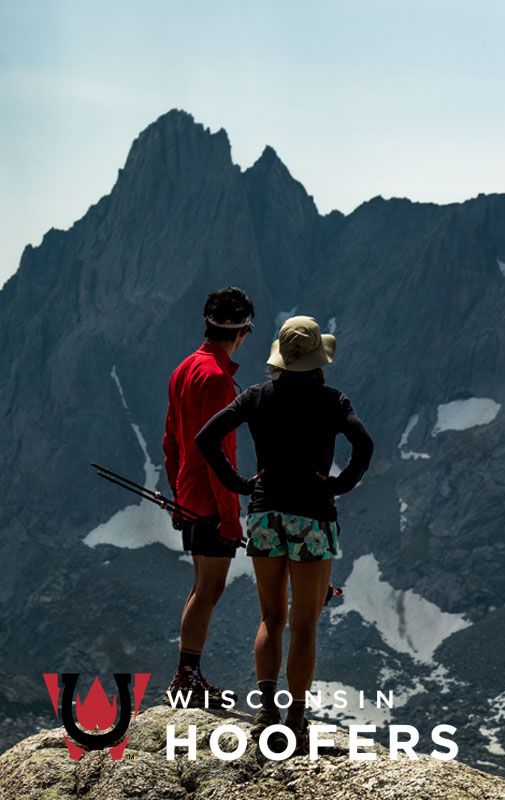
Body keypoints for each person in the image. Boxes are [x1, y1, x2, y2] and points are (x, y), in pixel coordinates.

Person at [197, 315, 373, 745]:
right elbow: (363, 445)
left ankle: (266, 713)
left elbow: (207, 438)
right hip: (312, 516)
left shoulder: (257, 396)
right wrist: (337, 485)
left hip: (265, 516)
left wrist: (240, 484)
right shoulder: (333, 400)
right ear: (317, 360)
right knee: (304, 624)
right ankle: (296, 719)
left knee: (271, 618)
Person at [162, 286, 255, 705]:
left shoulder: (184, 369)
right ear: (242, 332)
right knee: (210, 589)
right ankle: (186, 677)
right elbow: (221, 452)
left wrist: (177, 493)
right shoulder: (218, 379)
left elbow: (171, 441)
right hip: (211, 499)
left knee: (202, 585)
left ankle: (188, 673)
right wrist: (232, 517)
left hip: (189, 494)